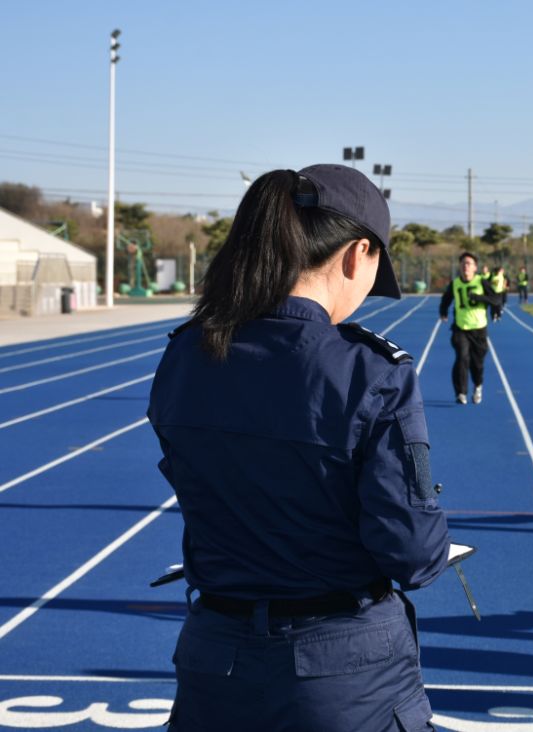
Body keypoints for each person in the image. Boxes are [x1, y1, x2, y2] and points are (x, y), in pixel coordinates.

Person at [147, 165, 450, 731]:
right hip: (342, 673)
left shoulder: (186, 355)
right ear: (358, 254)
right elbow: (413, 554)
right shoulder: (370, 373)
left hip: (216, 659)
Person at [439, 252, 502, 404]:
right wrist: (443, 311)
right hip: (460, 328)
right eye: (463, 263)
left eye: (469, 263)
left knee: (477, 364)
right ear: (460, 267)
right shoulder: (455, 283)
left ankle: (478, 386)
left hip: (479, 329)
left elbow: (496, 299)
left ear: (475, 267)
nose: (465, 266)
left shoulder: (482, 282)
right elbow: (446, 299)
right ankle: (461, 393)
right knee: (462, 357)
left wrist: (479, 298)